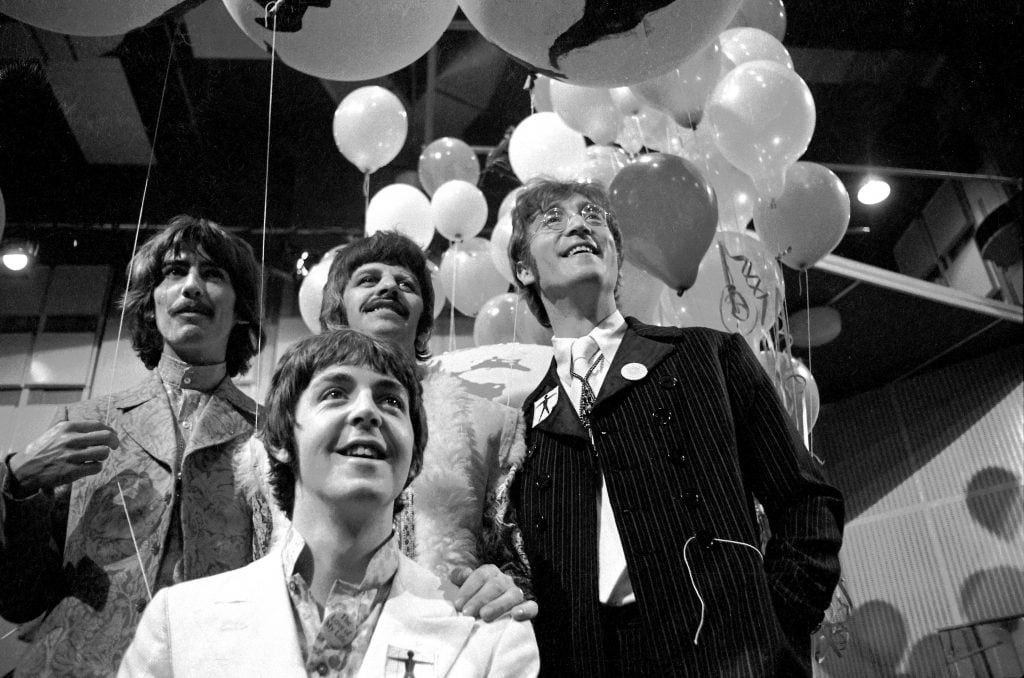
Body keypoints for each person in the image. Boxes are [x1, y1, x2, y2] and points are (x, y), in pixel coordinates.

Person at [506, 179, 845, 677]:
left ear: (617, 257)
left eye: (593, 216)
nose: (579, 223)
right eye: (552, 220)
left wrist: (773, 622)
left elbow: (807, 501)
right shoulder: (529, 420)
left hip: (726, 656)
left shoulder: (708, 354)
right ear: (522, 268)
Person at [118, 329, 540, 677]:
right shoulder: (179, 625)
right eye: (335, 393)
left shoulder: (490, 634)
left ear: (413, 458)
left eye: (391, 401)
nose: (368, 412)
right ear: (282, 441)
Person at [0, 216, 272, 677]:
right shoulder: (83, 422)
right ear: (150, 305)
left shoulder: (272, 434)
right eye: (174, 272)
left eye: (213, 274)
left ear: (241, 307)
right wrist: (17, 482)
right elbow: (20, 598)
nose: (191, 287)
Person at [316, 231, 536, 622]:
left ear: (421, 319)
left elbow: (519, 562)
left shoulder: (489, 425)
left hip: (440, 643)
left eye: (406, 284)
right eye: (368, 279)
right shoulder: (296, 419)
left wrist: (501, 585)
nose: (388, 287)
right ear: (338, 309)